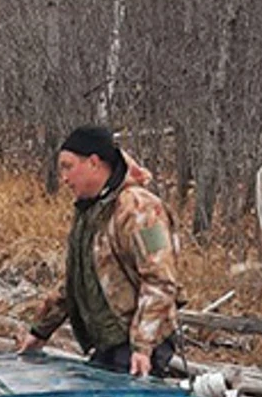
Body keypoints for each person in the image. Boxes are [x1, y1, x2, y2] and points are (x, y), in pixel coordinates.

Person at [18, 126, 182, 377]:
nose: (63, 178)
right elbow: (77, 281)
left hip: (137, 347)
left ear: (94, 162)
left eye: (67, 166)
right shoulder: (90, 210)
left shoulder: (139, 209)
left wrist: (142, 347)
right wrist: (40, 331)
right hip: (108, 344)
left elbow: (160, 281)